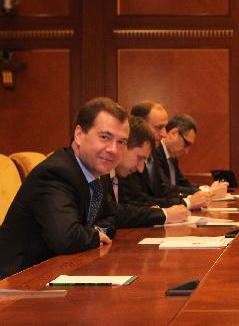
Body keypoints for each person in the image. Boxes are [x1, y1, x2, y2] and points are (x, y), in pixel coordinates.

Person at [0, 97, 128, 278]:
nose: (113, 149)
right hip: (19, 281)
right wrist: (95, 235)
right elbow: (66, 238)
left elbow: (112, 218)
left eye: (121, 142)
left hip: (62, 269)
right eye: (105, 137)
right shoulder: (56, 172)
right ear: (79, 135)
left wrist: (94, 232)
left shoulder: (100, 173)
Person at [120, 101, 226, 209]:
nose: (164, 134)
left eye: (165, 128)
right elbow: (141, 201)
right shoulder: (128, 160)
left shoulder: (153, 155)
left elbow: (166, 189)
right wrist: (188, 202)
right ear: (140, 125)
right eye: (159, 127)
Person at [102, 116, 190, 228]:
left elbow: (130, 204)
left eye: (144, 160)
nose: (140, 169)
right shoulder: (102, 173)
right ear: (122, 146)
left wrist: (154, 211)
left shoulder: (119, 172)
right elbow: (112, 214)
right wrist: (163, 214)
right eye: (139, 158)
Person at [155, 114, 200, 196]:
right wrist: (202, 192)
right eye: (186, 143)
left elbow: (183, 183)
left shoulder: (172, 156)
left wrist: (206, 191)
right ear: (174, 133)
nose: (186, 151)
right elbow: (165, 188)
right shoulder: (155, 153)